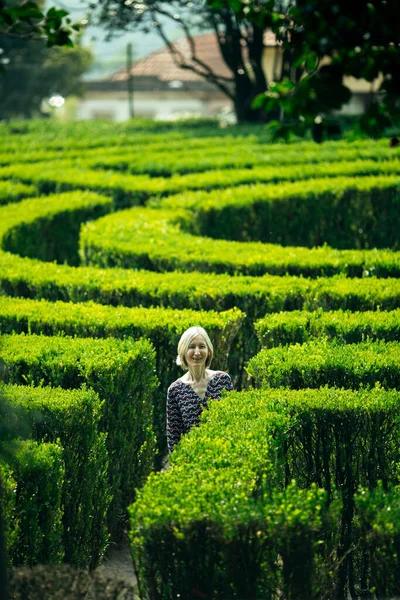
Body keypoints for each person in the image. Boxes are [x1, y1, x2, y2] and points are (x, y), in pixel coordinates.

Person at [166, 326, 234, 453]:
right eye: (191, 347)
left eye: (202, 346)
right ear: (183, 352)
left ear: (208, 351)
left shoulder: (222, 380)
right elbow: (174, 440)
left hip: (224, 455)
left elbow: (234, 423)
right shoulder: (175, 390)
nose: (197, 352)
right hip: (193, 461)